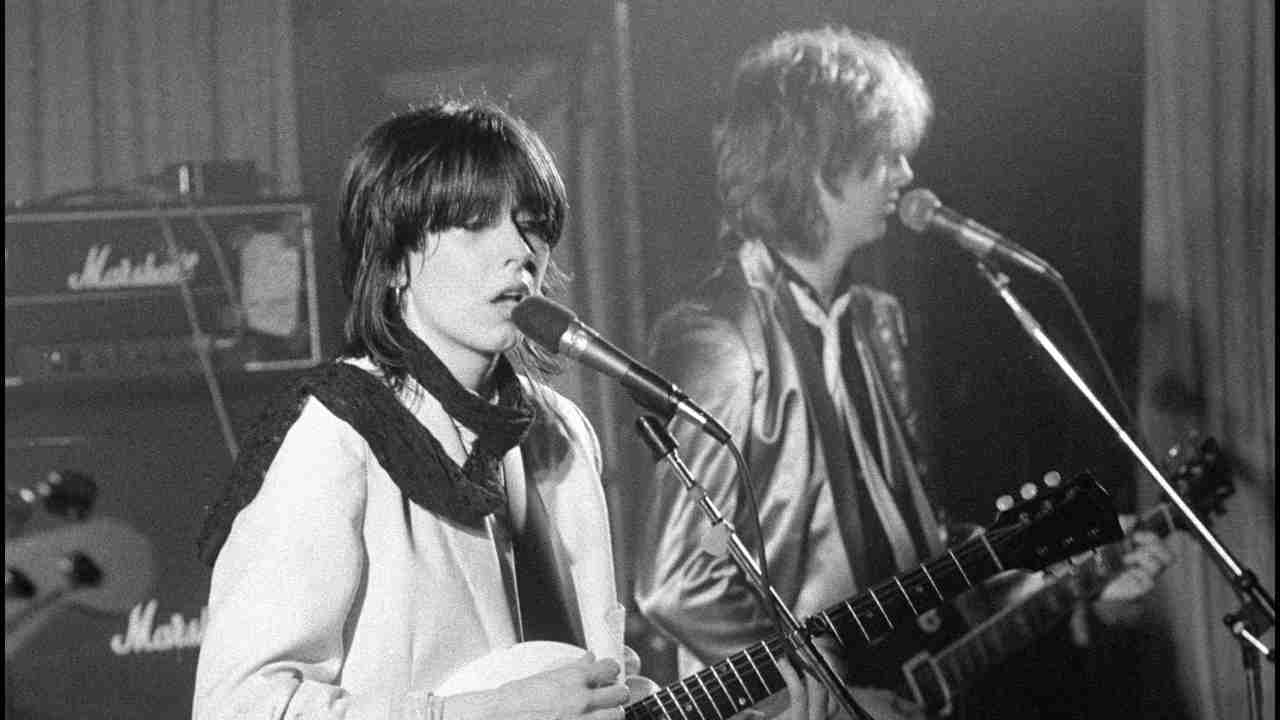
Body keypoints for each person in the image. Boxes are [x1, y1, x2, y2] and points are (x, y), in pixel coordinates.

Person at [633, 27, 1172, 719]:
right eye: (885, 154)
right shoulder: (722, 337)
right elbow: (676, 581)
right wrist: (833, 700)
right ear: (820, 162)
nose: (905, 175)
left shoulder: (875, 322)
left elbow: (917, 548)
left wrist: (1071, 579)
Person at [192, 99, 649, 720]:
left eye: (533, 224)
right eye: (476, 223)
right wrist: (487, 713)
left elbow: (595, 685)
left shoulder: (561, 432)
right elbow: (238, 707)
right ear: (394, 260)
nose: (520, 251)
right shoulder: (335, 434)